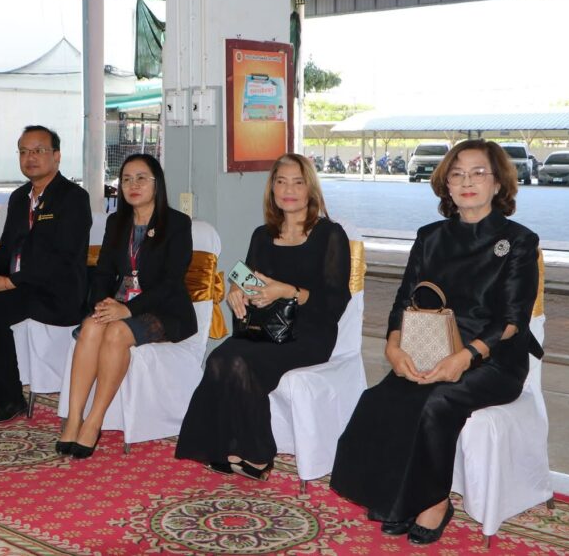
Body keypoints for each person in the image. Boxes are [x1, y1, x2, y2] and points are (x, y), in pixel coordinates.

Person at [330, 139, 543, 546]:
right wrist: (394, 347)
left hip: (493, 358)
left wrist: (466, 357)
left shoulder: (518, 241)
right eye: (457, 174)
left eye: (478, 173)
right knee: (380, 399)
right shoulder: (430, 237)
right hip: (430, 348)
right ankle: (395, 496)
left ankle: (434, 501)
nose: (467, 182)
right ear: (445, 184)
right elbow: (403, 299)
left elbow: (513, 320)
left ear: (498, 183)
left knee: (435, 401)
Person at [175, 153, 351, 480]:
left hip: (310, 334)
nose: (289, 190)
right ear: (272, 189)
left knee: (240, 361)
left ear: (310, 189)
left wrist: (288, 291)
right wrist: (236, 290)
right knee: (220, 357)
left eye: (297, 182)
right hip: (266, 330)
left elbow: (335, 301)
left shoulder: (330, 234)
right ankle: (225, 445)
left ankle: (256, 455)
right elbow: (247, 278)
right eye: (281, 182)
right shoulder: (262, 234)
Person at [59, 154, 194, 458]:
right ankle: (74, 417)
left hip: (164, 310)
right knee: (92, 326)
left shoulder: (176, 223)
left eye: (141, 178)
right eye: (127, 179)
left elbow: (171, 282)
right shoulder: (116, 222)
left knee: (117, 332)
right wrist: (102, 305)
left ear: (157, 184)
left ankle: (94, 420)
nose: (133, 185)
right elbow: (104, 272)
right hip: (121, 304)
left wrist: (127, 311)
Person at [0, 125, 91, 423]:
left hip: (58, 293)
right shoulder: (19, 197)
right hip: (23, 286)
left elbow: (63, 259)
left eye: (38, 150)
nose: (30, 157)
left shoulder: (73, 198)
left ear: (57, 156)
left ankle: (9, 399)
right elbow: (6, 247)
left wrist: (9, 282)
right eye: (24, 151)